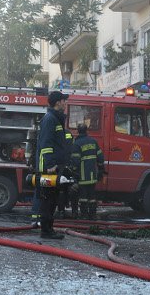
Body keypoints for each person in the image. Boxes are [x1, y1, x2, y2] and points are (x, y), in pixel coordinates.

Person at [36, 90, 70, 239]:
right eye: (64, 100)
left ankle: (49, 228)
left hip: (54, 166)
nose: (66, 102)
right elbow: (46, 143)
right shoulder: (50, 119)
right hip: (48, 168)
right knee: (48, 199)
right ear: (58, 103)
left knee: (53, 199)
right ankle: (46, 230)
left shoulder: (56, 119)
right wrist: (50, 164)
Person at [72, 123, 105, 220]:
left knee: (83, 197)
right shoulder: (93, 141)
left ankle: (84, 215)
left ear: (78, 131)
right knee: (92, 196)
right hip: (92, 175)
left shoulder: (77, 143)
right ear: (87, 131)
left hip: (82, 175)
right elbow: (100, 157)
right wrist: (101, 170)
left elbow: (75, 161)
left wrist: (74, 174)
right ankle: (93, 215)